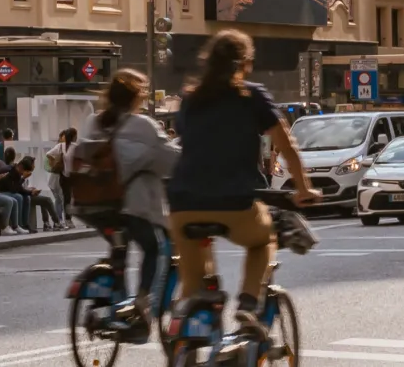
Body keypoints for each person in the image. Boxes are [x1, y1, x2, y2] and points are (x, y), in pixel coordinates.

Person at [166, 31, 319, 326]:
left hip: (183, 204)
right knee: (263, 241)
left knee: (194, 286)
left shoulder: (190, 98)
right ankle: (248, 304)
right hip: (235, 201)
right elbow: (286, 144)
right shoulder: (251, 95)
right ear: (246, 63)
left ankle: (185, 334)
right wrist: (303, 189)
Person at [77, 69, 177, 326]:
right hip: (131, 206)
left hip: (93, 205)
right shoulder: (143, 126)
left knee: (119, 247)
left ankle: (115, 294)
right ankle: (141, 306)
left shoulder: (93, 122)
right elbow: (170, 161)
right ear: (137, 98)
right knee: (154, 248)